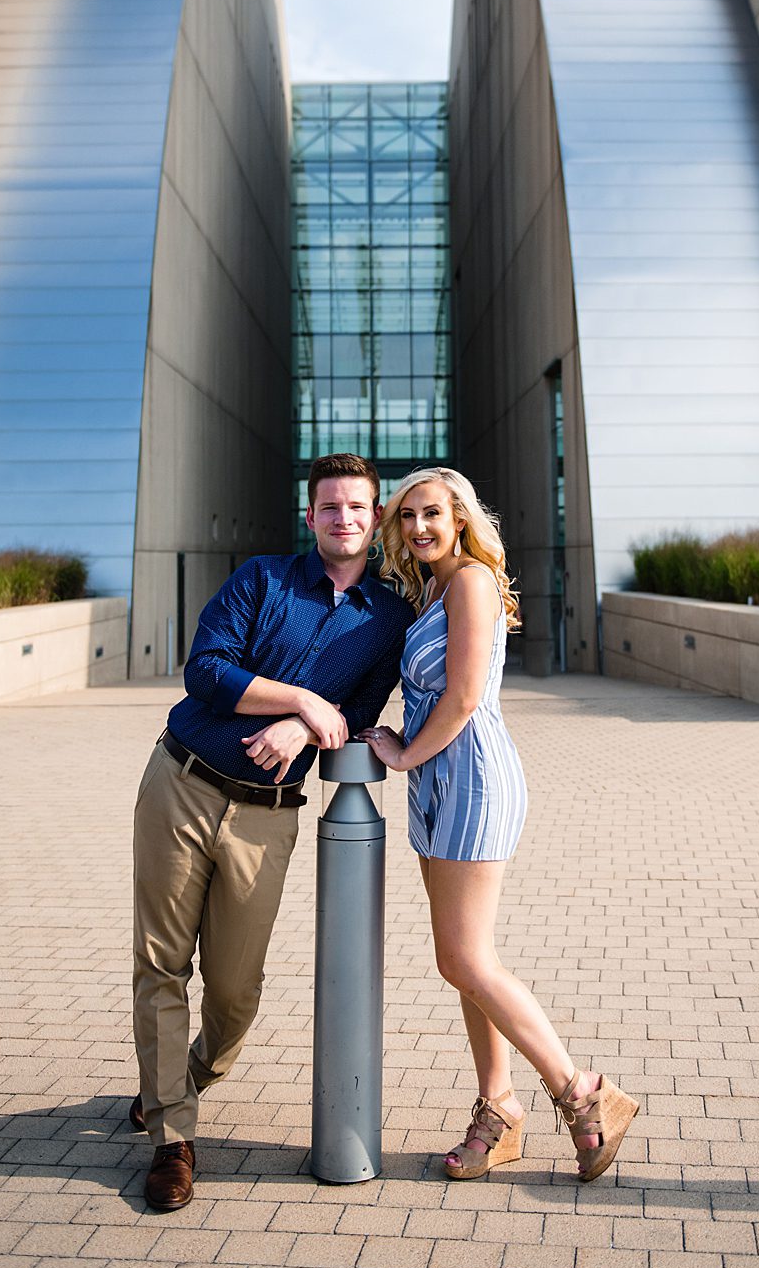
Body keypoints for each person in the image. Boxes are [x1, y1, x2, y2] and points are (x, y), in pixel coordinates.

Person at [131, 451, 417, 1211]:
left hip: (268, 813)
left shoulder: (388, 618)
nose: (344, 518)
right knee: (162, 964)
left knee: (234, 991)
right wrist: (300, 698)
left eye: (357, 507)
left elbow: (357, 711)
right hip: (181, 783)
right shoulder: (262, 579)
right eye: (330, 507)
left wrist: (303, 726)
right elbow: (206, 670)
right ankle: (172, 1136)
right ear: (311, 514)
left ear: (375, 515)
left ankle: (178, 1079)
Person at [358, 467, 638, 1182]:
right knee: (466, 961)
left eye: (432, 513)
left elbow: (463, 694)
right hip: (436, 785)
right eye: (408, 516)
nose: (419, 527)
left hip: (471, 781)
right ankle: (499, 1106)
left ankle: (585, 1095)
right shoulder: (428, 588)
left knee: (465, 960)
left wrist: (402, 751)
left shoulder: (472, 582)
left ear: (459, 517)